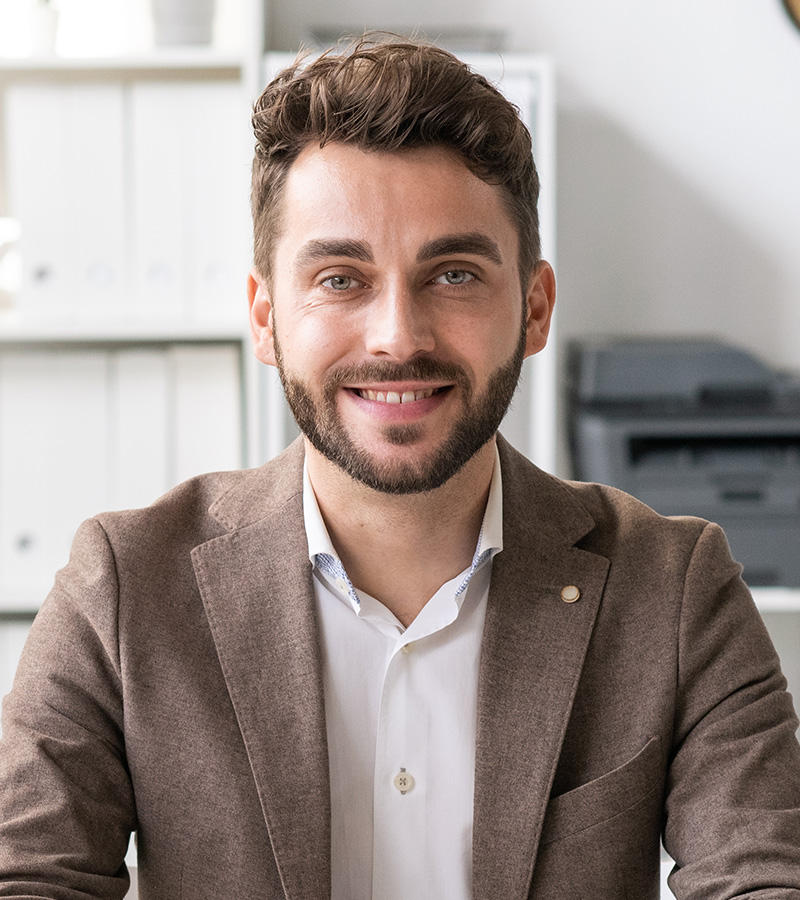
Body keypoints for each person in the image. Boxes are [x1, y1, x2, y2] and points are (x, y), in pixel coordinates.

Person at [2, 34, 800, 900]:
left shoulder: (674, 590)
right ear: (266, 318)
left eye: (453, 274)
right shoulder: (124, 588)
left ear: (533, 309)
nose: (397, 337)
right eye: (341, 279)